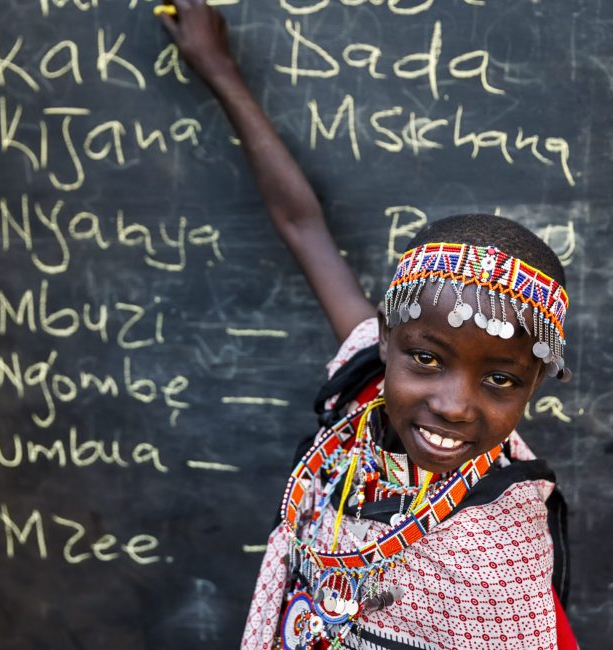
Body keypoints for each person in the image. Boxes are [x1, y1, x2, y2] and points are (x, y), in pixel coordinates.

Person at [157, 2, 579, 648]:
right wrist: (219, 70)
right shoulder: (364, 389)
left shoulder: (501, 562)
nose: (453, 406)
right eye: (428, 360)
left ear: (536, 384)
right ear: (385, 340)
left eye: (499, 378)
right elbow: (302, 224)